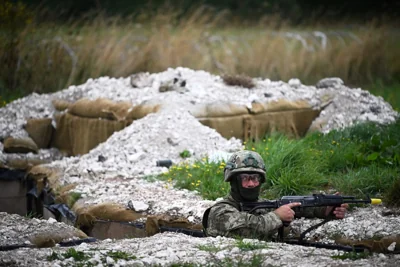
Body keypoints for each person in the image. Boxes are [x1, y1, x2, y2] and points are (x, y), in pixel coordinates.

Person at [202, 150, 348, 240]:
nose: (252, 184)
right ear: (233, 181)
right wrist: (277, 216)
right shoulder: (220, 212)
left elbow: (296, 208)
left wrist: (324, 209)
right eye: (245, 178)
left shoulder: (260, 206)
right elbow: (251, 229)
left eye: (255, 178)